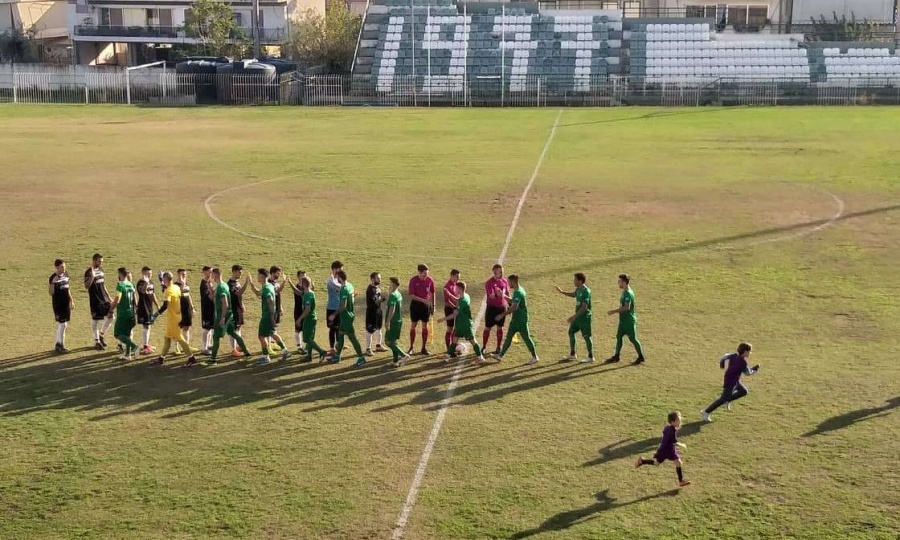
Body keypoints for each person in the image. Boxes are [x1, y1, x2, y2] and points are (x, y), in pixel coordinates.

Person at [149, 271, 198, 367]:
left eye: (163, 279)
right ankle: (161, 358)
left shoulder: (169, 291)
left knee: (179, 338)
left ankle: (191, 358)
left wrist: (155, 315)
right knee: (167, 338)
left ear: (165, 279)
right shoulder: (176, 287)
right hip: (175, 317)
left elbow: (165, 305)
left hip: (173, 320)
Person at [701, 343, 760, 422]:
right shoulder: (743, 362)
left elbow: (724, 357)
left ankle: (727, 400)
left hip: (732, 379)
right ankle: (706, 412)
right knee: (722, 399)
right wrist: (755, 370)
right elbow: (747, 373)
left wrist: (721, 364)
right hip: (731, 382)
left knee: (743, 391)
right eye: (749, 351)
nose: (750, 353)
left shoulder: (734, 355)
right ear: (745, 351)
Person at [206, 267, 251, 366]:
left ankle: (213, 359)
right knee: (234, 333)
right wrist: (209, 286)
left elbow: (225, 304)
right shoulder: (223, 285)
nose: (211, 276)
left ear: (216, 275)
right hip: (229, 315)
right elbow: (212, 297)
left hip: (223, 315)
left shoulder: (221, 287)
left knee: (216, 337)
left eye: (212, 274)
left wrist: (222, 318)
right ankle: (247, 352)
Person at [635, 411, 691, 488]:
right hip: (665, 451)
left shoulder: (667, 427)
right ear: (672, 422)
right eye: (678, 420)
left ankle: (681, 481)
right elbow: (674, 442)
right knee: (657, 463)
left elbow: (665, 434)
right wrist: (683, 445)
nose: (680, 422)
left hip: (669, 450)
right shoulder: (672, 430)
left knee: (678, 463)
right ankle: (642, 461)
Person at [492, 274, 538, 365]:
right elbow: (513, 301)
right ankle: (500, 356)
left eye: (509, 282)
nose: (508, 284)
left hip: (521, 320)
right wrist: (503, 295)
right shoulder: (518, 290)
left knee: (526, 338)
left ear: (513, 282)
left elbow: (514, 307)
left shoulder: (518, 292)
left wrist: (502, 315)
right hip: (516, 319)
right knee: (508, 337)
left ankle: (535, 356)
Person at [438, 281, 486, 365]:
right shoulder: (466, 296)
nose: (455, 289)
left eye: (456, 288)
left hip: (464, 325)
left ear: (460, 289)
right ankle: (447, 357)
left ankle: (481, 357)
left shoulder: (462, 301)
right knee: (455, 340)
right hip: (461, 324)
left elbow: (454, 314)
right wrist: (449, 294)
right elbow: (457, 300)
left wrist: (443, 319)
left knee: (472, 341)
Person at [328, 269, 366, 367]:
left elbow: (343, 306)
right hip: (347, 315)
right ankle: (337, 356)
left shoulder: (344, 289)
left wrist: (334, 315)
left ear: (340, 278)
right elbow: (352, 297)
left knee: (352, 338)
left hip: (346, 317)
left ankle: (361, 358)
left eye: (337, 277)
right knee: (340, 335)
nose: (337, 279)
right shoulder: (350, 285)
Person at [605, 274, 645, 365]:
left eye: (619, 281)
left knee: (633, 339)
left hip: (629, 321)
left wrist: (614, 311)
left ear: (624, 282)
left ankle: (641, 356)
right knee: (619, 336)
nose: (618, 283)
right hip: (623, 321)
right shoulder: (624, 291)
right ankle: (616, 356)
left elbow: (627, 307)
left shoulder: (628, 293)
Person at [254, 268, 291, 365]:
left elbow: (270, 302)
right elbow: (259, 293)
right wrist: (251, 285)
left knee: (261, 336)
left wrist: (271, 317)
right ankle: (285, 351)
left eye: (258, 275)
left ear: (262, 276)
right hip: (270, 315)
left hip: (267, 316)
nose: (257, 277)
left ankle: (265, 357)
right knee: (273, 333)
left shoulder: (266, 289)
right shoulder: (269, 285)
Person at [555, 272, 594, 363]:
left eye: (575, 280)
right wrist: (563, 292)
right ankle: (573, 354)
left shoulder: (586, 292)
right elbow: (574, 294)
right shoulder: (578, 289)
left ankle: (591, 356)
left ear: (580, 281)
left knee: (587, 337)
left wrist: (573, 316)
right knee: (571, 332)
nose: (574, 281)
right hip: (578, 318)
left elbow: (584, 308)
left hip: (584, 318)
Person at [108, 267, 139, 361]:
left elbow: (117, 300)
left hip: (123, 314)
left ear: (120, 274)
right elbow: (135, 298)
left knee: (117, 334)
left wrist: (110, 311)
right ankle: (127, 355)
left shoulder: (120, 285)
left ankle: (135, 347)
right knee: (127, 334)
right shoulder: (131, 284)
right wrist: (136, 308)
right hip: (131, 313)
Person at [84, 253, 114, 350]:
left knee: (111, 317)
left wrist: (109, 296)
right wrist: (92, 277)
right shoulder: (88, 272)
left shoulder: (101, 270)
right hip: (95, 300)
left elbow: (103, 284)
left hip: (104, 299)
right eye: (99, 261)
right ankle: (97, 341)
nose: (101, 263)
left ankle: (101, 334)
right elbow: (86, 286)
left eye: (101, 261)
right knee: (95, 320)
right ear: (94, 260)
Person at [295, 275, 327, 363]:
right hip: (313, 317)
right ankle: (309, 356)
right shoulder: (310, 292)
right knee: (310, 338)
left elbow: (307, 309)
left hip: (309, 318)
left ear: (303, 284)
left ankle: (321, 351)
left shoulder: (308, 295)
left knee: (306, 339)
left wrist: (299, 319)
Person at [407, 263, 435, 356]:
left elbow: (432, 292)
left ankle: (423, 348)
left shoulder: (430, 280)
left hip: (425, 307)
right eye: (424, 274)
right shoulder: (413, 281)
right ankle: (411, 347)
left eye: (427, 273)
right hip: (415, 306)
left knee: (425, 326)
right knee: (413, 326)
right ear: (419, 272)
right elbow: (411, 295)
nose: (426, 275)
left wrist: (433, 305)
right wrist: (423, 300)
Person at [483, 264, 510, 356]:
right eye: (500, 271)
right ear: (495, 272)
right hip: (491, 308)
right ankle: (484, 347)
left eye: (502, 271)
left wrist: (510, 306)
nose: (502, 273)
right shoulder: (489, 283)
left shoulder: (504, 281)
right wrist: (498, 294)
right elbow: (491, 296)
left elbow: (508, 293)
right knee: (487, 327)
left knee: (500, 327)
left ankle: (498, 347)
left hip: (501, 307)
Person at [384, 277, 410, 367]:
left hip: (393, 321)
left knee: (388, 341)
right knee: (393, 342)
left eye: (390, 283)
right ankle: (395, 361)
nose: (389, 284)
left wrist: (388, 321)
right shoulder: (398, 294)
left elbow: (392, 309)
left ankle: (404, 355)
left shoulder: (393, 295)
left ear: (394, 284)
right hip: (398, 321)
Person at [49, 258, 74, 353]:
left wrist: (71, 300)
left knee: (64, 324)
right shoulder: (53, 278)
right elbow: (51, 293)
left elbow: (68, 289)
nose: (64, 268)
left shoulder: (66, 275)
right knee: (62, 324)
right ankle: (59, 345)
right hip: (58, 304)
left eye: (64, 266)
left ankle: (59, 344)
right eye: (62, 267)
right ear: (56, 267)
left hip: (66, 304)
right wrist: (53, 283)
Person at [136, 266, 159, 355]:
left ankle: (146, 345)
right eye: (147, 274)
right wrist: (146, 282)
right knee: (146, 326)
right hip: (143, 308)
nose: (150, 275)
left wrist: (157, 305)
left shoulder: (151, 282)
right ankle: (145, 346)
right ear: (143, 273)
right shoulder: (140, 283)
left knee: (148, 326)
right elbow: (142, 291)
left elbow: (152, 294)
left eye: (150, 273)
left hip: (150, 308)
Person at [227, 264, 249, 357]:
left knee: (239, 327)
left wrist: (242, 304)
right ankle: (233, 349)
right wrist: (247, 283)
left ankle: (238, 345)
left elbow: (239, 296)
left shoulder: (237, 282)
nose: (240, 274)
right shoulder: (229, 284)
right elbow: (237, 294)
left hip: (239, 308)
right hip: (233, 309)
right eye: (239, 272)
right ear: (234, 272)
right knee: (234, 329)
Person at [365, 272, 387, 356]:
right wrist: (383, 298)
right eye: (378, 278)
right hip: (371, 313)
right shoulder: (370, 290)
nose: (380, 280)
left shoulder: (377, 288)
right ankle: (368, 349)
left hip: (378, 312)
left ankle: (378, 345)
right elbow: (375, 302)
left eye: (380, 278)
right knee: (370, 331)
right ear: (372, 279)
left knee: (379, 329)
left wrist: (382, 298)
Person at [286, 270, 308, 354]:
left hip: (306, 310)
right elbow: (298, 293)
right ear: (298, 277)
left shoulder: (307, 286)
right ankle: (299, 346)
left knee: (306, 329)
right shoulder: (297, 286)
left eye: (305, 276)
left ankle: (307, 346)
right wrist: (290, 282)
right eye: (302, 276)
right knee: (298, 328)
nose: (303, 277)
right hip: (298, 310)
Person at [325, 261, 344, 354]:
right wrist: (347, 289)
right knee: (332, 329)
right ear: (334, 269)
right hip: (332, 308)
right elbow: (339, 288)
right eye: (340, 269)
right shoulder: (330, 280)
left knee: (339, 328)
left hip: (339, 307)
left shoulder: (339, 280)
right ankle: (332, 347)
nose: (341, 271)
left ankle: (338, 344)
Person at [175, 268, 195, 350]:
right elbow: (179, 294)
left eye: (185, 274)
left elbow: (188, 295)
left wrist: (192, 307)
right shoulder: (175, 285)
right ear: (178, 275)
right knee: (178, 328)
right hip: (179, 309)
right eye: (182, 274)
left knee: (187, 327)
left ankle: (186, 346)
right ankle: (176, 348)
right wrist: (182, 284)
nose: (184, 276)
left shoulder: (186, 283)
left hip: (187, 309)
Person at [442, 269, 461, 349]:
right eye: (457, 277)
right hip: (449, 309)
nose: (458, 279)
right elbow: (447, 302)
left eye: (459, 277)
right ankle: (448, 347)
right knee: (450, 328)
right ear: (452, 276)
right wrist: (455, 307)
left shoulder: (456, 284)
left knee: (455, 328)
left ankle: (453, 345)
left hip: (455, 309)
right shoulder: (447, 286)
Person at [199, 266, 215, 355]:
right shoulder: (204, 283)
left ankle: (209, 345)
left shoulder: (210, 282)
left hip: (212, 308)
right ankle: (204, 348)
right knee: (206, 329)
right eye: (210, 271)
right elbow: (209, 296)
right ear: (205, 272)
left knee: (210, 328)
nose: (211, 273)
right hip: (206, 309)